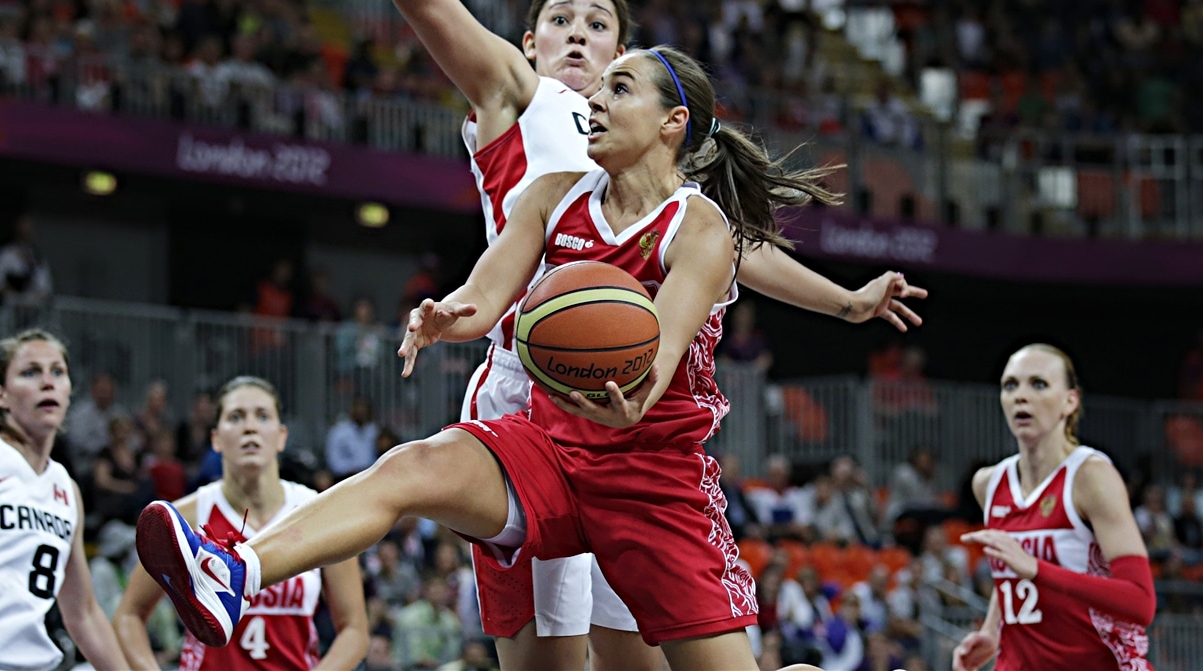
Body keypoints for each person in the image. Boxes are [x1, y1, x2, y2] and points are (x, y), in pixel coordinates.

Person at [137, 44, 907, 671]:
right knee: (410, 468)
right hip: (550, 448)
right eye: (596, 88)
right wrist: (447, 315)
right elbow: (486, 294)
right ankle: (229, 571)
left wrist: (630, 396)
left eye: (620, 87)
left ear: (674, 122)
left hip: (652, 478)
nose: (595, 99)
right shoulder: (552, 195)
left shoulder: (698, 227)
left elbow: (659, 359)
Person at [367, 0, 927, 669]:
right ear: (527, 43)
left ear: (627, 56)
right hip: (531, 391)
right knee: (549, 653)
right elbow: (428, 6)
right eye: (560, 18)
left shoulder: (644, 150)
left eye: (597, 23)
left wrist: (846, 302)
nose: (577, 31)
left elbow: (732, 248)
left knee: (636, 657)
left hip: (627, 396)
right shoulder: (520, 92)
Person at [114, 375, 369, 670]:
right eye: (236, 417)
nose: (250, 427)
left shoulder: (318, 512)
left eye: (262, 416)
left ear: (282, 436)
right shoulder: (188, 516)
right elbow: (128, 615)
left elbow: (354, 629)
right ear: (216, 439)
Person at [952, 344, 1156, 671]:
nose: (1021, 395)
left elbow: (1140, 602)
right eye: (1010, 385)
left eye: (1039, 384)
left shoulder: (1091, 477)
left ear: (1070, 401)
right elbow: (1012, 569)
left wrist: (1037, 569)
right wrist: (991, 631)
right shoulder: (988, 483)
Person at [0, 328, 130, 670]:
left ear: (67, 393)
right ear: (1, 395)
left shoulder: (66, 488)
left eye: (57, 372)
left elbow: (83, 613)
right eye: (30, 372)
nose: (47, 382)